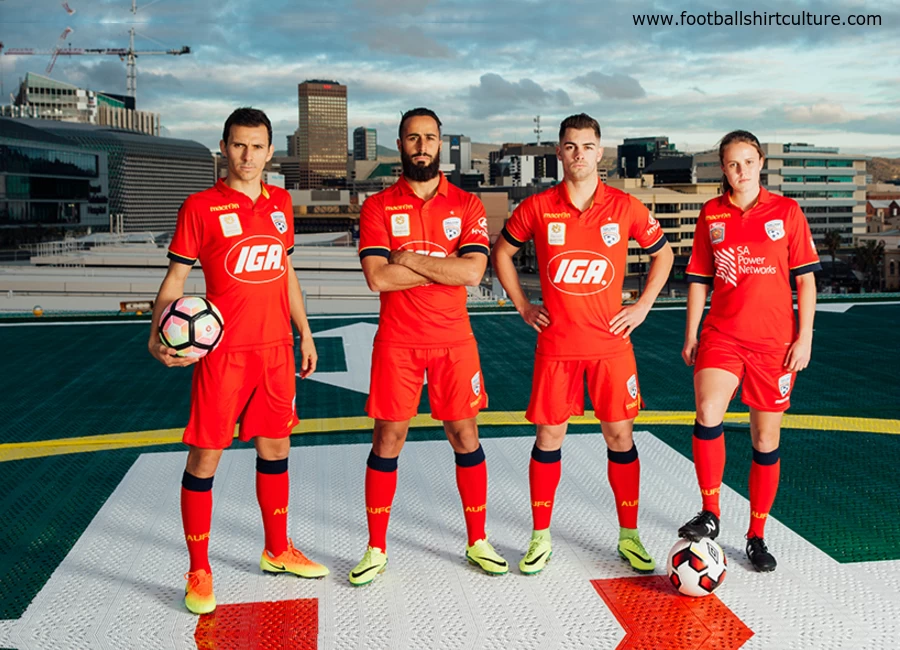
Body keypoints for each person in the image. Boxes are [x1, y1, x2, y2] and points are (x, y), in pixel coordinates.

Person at [148, 107, 328, 615]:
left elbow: (286, 272)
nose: (248, 156)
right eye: (239, 145)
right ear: (224, 148)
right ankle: (199, 569)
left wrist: (305, 332)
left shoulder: (281, 203)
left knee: (275, 448)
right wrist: (154, 335)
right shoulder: (201, 206)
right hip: (222, 354)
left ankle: (276, 549)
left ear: (272, 152)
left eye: (258, 146)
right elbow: (176, 283)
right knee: (206, 456)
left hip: (275, 352)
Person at [492, 113, 673, 575]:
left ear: (600, 152)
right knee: (549, 437)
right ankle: (539, 537)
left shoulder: (625, 206)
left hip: (612, 346)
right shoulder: (536, 207)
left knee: (620, 436)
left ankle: (629, 536)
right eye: (570, 146)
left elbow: (664, 254)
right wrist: (524, 306)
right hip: (557, 346)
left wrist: (643, 307)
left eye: (587, 146)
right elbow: (502, 253)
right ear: (559, 152)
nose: (579, 154)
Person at [349, 107, 507, 586]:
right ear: (400, 145)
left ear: (441, 144)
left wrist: (411, 259)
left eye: (430, 138)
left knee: (465, 436)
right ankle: (376, 548)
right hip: (397, 343)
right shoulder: (377, 206)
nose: (422, 146)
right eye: (413, 138)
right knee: (387, 440)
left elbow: (473, 272)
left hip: (454, 342)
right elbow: (378, 279)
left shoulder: (467, 204)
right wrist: (442, 264)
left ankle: (477, 539)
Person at [678, 130, 820, 572]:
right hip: (722, 333)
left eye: (749, 162)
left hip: (774, 342)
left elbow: (806, 281)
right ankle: (711, 512)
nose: (741, 171)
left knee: (765, 439)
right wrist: (692, 333)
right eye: (733, 164)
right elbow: (699, 278)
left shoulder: (787, 211)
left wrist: (805, 337)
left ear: (761, 163)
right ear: (723, 168)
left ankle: (756, 535)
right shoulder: (711, 214)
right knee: (707, 410)